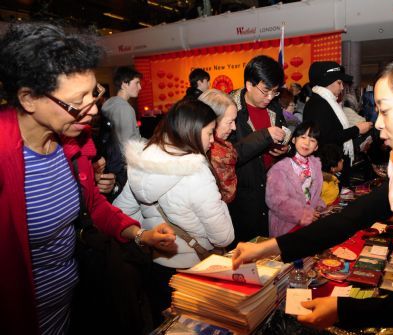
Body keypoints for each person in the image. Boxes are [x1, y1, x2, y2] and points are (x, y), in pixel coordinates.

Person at [232, 46, 393, 334]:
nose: (378, 123)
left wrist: (344, 310)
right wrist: (266, 248)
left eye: (385, 110)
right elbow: (349, 219)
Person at [0, 22, 175, 335]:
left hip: (69, 302)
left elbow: (91, 203)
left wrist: (138, 233)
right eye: (77, 101)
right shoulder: (4, 155)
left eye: (94, 94)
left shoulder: (72, 142)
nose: (92, 110)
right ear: (28, 98)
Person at [113, 99, 234, 325]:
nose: (212, 140)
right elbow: (223, 236)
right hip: (197, 271)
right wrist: (222, 203)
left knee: (168, 327)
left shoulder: (142, 165)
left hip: (157, 270)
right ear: (192, 132)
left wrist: (149, 229)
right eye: (209, 133)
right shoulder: (196, 171)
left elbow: (120, 212)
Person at [228, 55, 288, 244]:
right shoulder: (229, 110)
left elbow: (283, 135)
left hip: (272, 190)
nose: (270, 97)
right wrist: (265, 136)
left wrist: (285, 149)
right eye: (265, 91)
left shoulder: (274, 108)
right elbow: (228, 155)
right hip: (243, 197)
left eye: (275, 92)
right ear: (249, 84)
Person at [303, 61, 372, 187]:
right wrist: (356, 130)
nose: (342, 88)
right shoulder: (318, 104)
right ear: (327, 83)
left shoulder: (327, 102)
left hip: (332, 163)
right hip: (327, 166)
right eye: (339, 83)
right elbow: (326, 137)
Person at [266, 121, 325, 237]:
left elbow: (313, 194)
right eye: (303, 137)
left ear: (316, 147)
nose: (307, 143)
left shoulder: (315, 166)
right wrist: (303, 214)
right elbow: (276, 202)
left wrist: (318, 205)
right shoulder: (280, 168)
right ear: (293, 140)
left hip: (309, 224)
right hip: (286, 226)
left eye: (312, 140)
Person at [198, 88, 238, 203]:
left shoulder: (223, 148)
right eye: (229, 122)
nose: (234, 127)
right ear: (211, 121)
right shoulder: (209, 154)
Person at [101, 66, 143, 155]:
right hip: (126, 162)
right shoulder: (124, 108)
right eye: (137, 83)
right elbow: (128, 144)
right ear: (124, 84)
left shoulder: (112, 103)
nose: (140, 87)